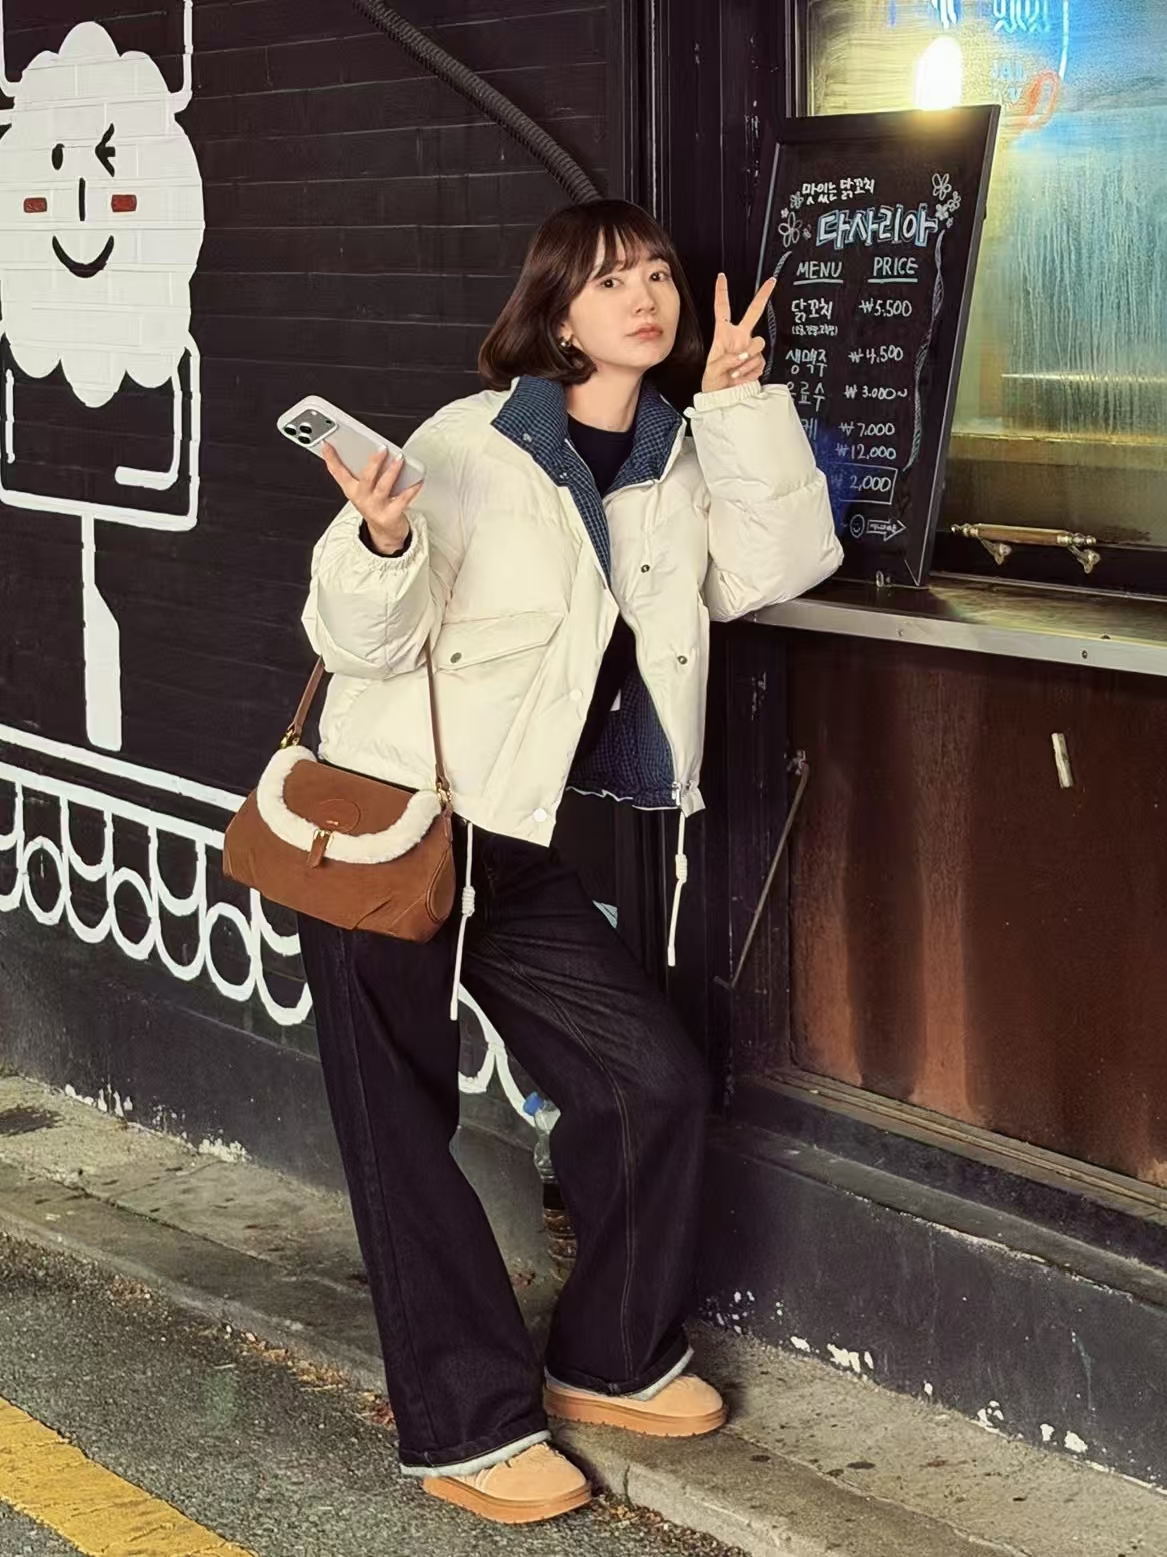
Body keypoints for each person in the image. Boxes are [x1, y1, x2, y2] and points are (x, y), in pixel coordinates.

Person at [296, 199, 841, 1526]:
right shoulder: (467, 442)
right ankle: (467, 1425)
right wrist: (379, 541)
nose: (644, 297)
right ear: (555, 312)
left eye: (656, 274)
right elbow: (360, 638)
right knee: (401, 1132)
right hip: (393, 825)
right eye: (608, 281)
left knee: (649, 1079)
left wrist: (739, 411)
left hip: (516, 841)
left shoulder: (676, 455)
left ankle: (606, 1355)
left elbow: (772, 572)